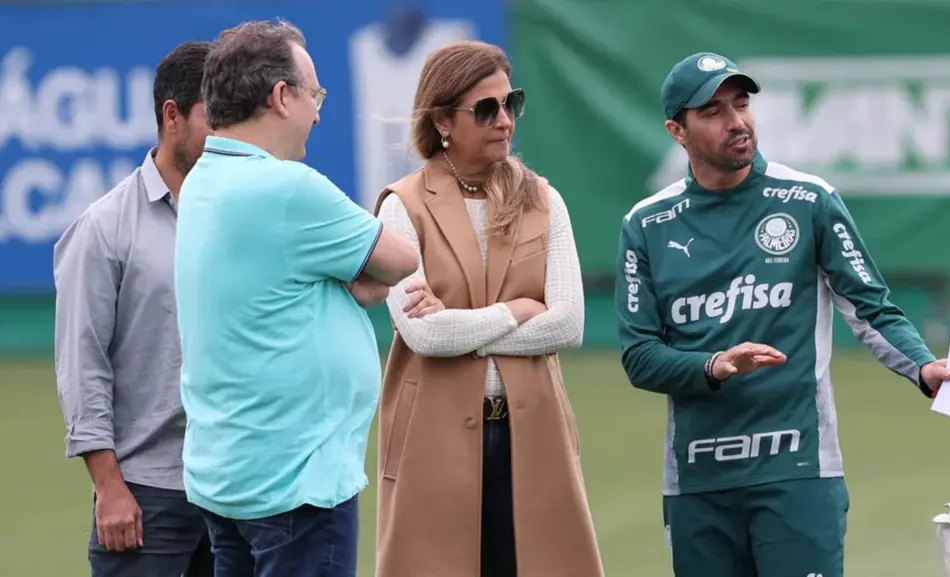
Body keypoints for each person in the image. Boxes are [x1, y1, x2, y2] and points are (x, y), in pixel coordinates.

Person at [614, 51, 950, 577]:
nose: (737, 121)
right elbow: (640, 356)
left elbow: (871, 308)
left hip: (800, 470)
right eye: (712, 111)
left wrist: (921, 366)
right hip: (697, 481)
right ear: (676, 131)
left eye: (742, 103)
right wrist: (713, 365)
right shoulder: (647, 223)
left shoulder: (809, 200)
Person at [173, 19, 418, 577]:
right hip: (294, 485)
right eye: (315, 94)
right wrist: (358, 280)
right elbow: (402, 259)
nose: (318, 111)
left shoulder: (204, 179)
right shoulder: (287, 189)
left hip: (230, 478)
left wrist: (354, 276)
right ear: (281, 96)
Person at [372, 40, 604, 577]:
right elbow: (422, 335)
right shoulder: (399, 206)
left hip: (534, 432)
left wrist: (461, 323)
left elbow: (569, 324)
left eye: (511, 103)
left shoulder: (544, 199)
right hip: (431, 440)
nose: (504, 120)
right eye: (486, 109)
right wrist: (520, 309)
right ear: (442, 121)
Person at [53, 41, 215, 577]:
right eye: (215, 115)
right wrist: (109, 488)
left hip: (237, 487)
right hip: (146, 496)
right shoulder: (103, 228)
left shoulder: (243, 215)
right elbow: (83, 364)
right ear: (172, 115)